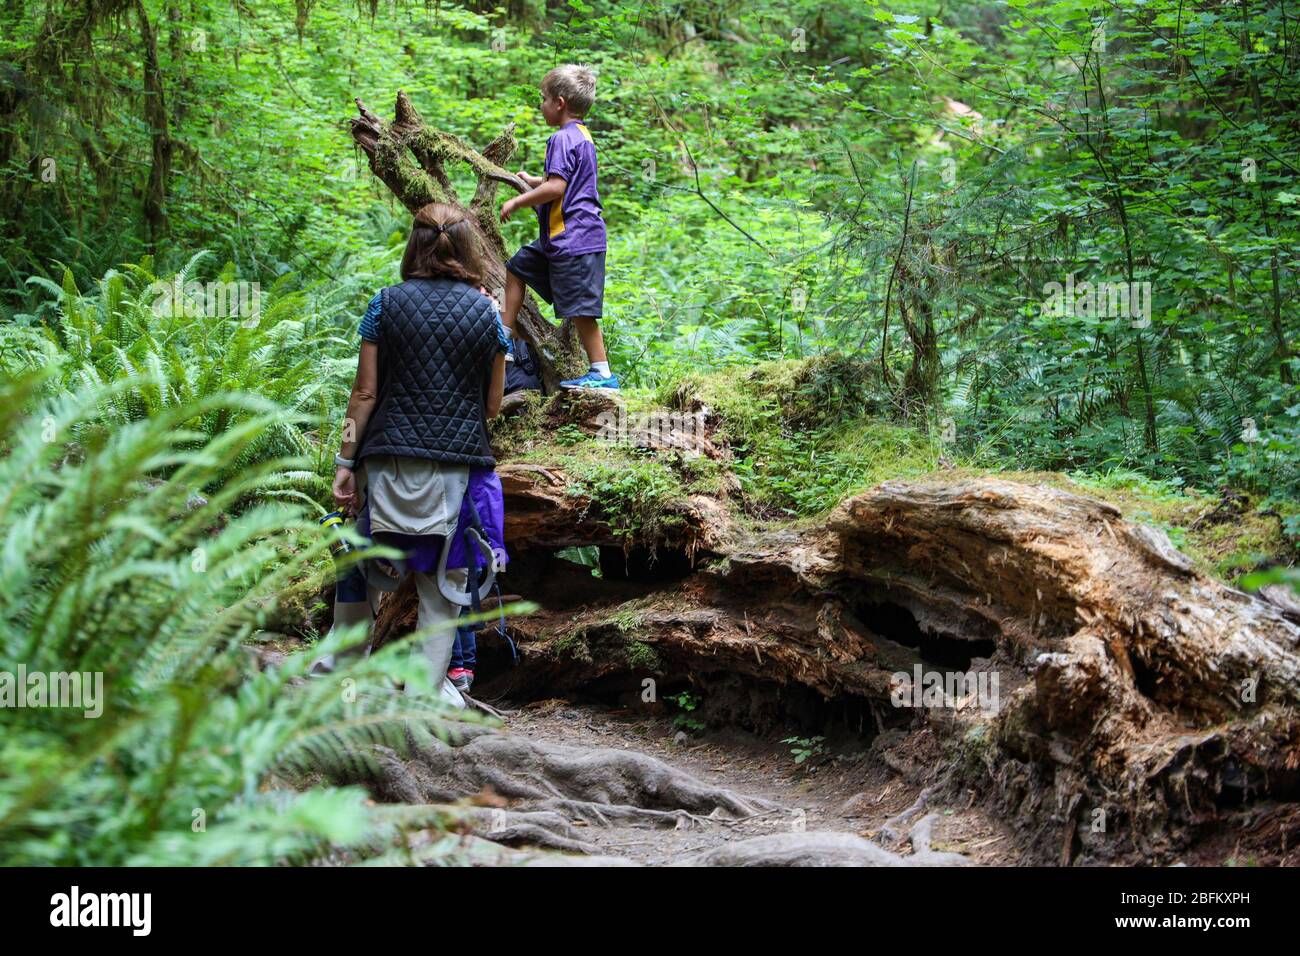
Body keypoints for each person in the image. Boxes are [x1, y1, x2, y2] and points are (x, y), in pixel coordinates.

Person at [324, 201, 509, 708]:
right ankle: (424, 699)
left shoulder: (384, 303)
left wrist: (344, 461)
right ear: (468, 246)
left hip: (385, 460)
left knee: (361, 560)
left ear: (414, 243)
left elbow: (363, 395)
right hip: (458, 465)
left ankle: (346, 677)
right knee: (443, 584)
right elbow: (491, 406)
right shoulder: (488, 313)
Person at [499, 64, 618, 391]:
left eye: (544, 99)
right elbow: (565, 181)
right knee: (518, 266)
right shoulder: (581, 135)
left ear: (560, 103)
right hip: (560, 240)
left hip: (575, 240)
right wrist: (533, 181)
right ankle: (504, 339)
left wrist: (517, 202)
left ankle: (603, 374)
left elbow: (557, 189)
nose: (541, 105)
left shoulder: (562, 138)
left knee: (581, 310)